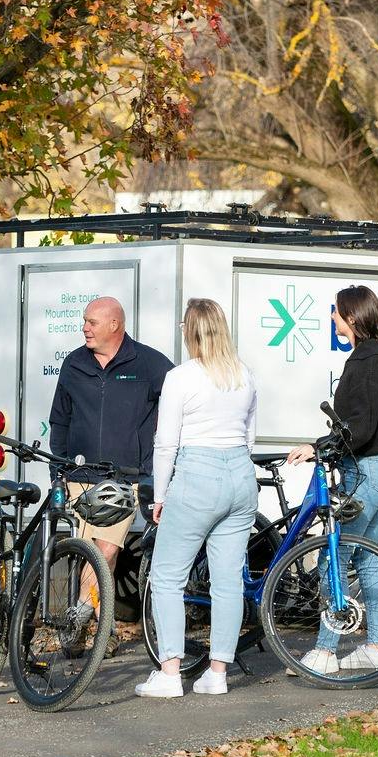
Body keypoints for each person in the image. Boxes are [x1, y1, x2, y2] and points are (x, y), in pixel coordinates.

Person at [137, 299, 259, 699]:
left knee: (167, 577)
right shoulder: (245, 376)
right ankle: (217, 672)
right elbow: (249, 438)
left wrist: (160, 493)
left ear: (190, 330)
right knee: (227, 582)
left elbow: (166, 443)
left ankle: (170, 673)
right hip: (240, 477)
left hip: (198, 475)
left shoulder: (181, 377)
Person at [288, 285, 378, 675]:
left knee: (333, 556)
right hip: (376, 469)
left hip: (366, 471)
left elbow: (362, 427)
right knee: (368, 558)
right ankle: (377, 646)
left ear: (352, 317)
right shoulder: (373, 358)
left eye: (336, 312)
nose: (332, 318)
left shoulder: (366, 363)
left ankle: (324, 652)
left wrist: (317, 446)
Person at [47, 296, 172, 601]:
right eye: (85, 322)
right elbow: (59, 420)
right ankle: (102, 628)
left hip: (124, 479)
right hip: (78, 475)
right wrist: (58, 471)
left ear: (114, 325)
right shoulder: (74, 363)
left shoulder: (149, 363)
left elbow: (182, 403)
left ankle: (82, 616)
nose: (84, 328)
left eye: (92, 322)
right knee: (88, 551)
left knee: (105, 550)